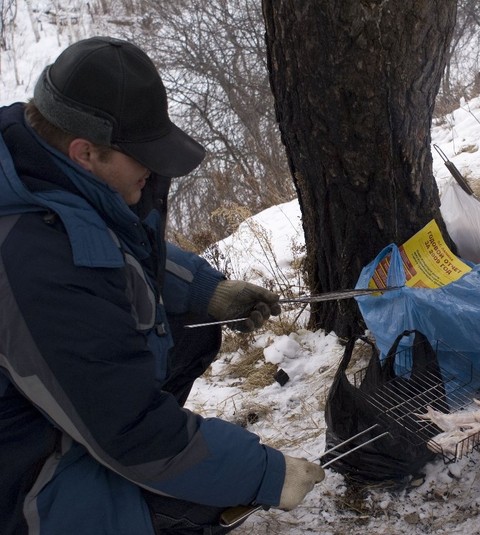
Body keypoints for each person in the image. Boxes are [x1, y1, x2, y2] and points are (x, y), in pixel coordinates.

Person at [0, 36, 324, 534]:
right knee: (195, 504)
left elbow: (103, 250)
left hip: (47, 408)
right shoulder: (32, 263)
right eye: (140, 154)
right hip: (21, 482)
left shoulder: (38, 167)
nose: (151, 168)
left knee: (190, 325)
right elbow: (130, 431)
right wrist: (265, 473)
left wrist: (200, 289)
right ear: (86, 152)